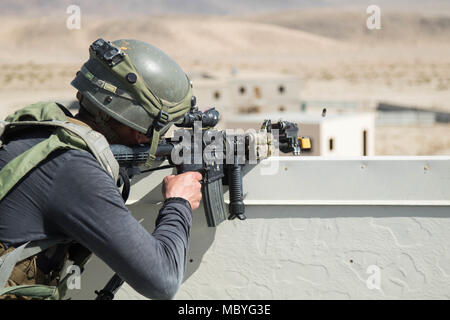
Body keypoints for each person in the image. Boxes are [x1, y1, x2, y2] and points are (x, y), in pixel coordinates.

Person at [0, 39, 202, 300]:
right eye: (157, 129)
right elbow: (162, 282)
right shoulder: (73, 169)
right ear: (138, 124)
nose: (154, 138)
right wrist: (179, 203)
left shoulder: (43, 135)